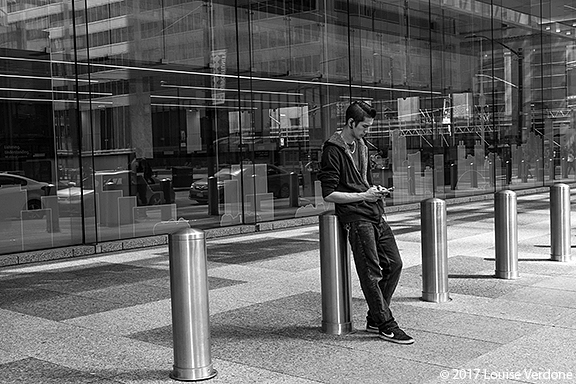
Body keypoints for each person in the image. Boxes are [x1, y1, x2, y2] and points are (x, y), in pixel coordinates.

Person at [317, 100, 414, 345]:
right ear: (350, 123)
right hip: (355, 217)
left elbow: (362, 181)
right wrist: (363, 195)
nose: (367, 131)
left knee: (395, 264)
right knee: (371, 272)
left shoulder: (360, 145)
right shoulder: (332, 150)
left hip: (372, 210)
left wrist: (375, 191)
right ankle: (386, 324)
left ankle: (375, 317)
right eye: (364, 127)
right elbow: (328, 194)